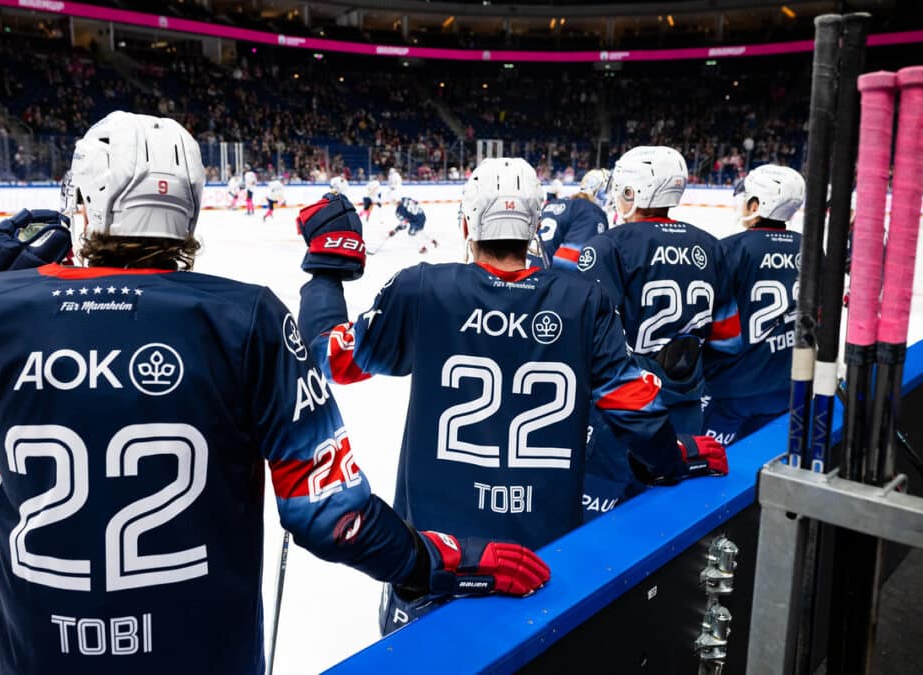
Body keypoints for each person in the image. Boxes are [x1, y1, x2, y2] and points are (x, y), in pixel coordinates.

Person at [0, 113, 548, 675]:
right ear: (189, 207)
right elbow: (336, 519)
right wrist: (445, 560)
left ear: (87, 203)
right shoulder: (249, 319)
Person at [296, 157, 728, 636]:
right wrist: (672, 455)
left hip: (437, 560)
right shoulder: (583, 302)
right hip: (545, 562)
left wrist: (326, 269)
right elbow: (634, 412)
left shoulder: (422, 289)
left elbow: (330, 358)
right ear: (534, 229)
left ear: (466, 223)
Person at [554, 147, 742, 434]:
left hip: (623, 416)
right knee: (679, 476)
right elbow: (729, 340)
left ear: (632, 193)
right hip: (687, 407)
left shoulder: (607, 246)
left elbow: (586, 341)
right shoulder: (711, 246)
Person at [702, 164, 804, 445]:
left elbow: (706, 320)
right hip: (787, 385)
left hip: (732, 389)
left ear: (758, 203)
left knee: (712, 468)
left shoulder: (728, 249)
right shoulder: (808, 247)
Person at [533, 169, 610, 268]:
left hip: (529, 270)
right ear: (598, 191)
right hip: (549, 277)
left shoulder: (554, 204)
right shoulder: (590, 211)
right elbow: (570, 263)